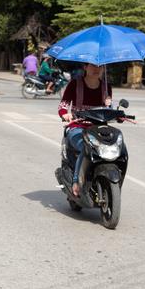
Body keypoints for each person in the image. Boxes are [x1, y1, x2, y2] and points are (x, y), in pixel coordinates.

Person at [58, 63, 113, 197]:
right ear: (85, 67)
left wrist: (110, 106)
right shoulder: (74, 85)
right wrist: (65, 114)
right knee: (86, 146)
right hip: (77, 128)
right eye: (93, 66)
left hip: (99, 129)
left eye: (100, 66)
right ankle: (76, 182)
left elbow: (109, 111)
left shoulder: (106, 87)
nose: (97, 69)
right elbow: (63, 105)